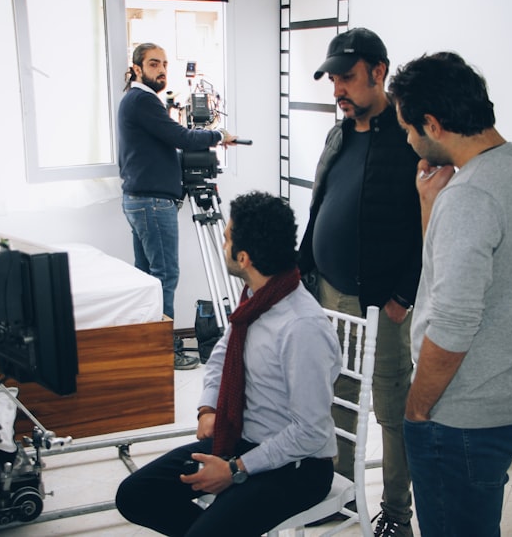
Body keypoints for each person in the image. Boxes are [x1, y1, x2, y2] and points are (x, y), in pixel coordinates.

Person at [387, 51, 512, 536]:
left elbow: (455, 323)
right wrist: (430, 205)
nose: (409, 139)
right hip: (510, 397)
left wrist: (417, 408)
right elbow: (447, 277)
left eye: (409, 129)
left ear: (433, 124)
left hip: (462, 417)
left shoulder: (471, 196)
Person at [115, 191, 342, 536]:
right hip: (242, 441)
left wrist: (236, 469)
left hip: (297, 468)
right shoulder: (255, 300)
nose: (222, 245)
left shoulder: (301, 327)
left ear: (244, 257)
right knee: (135, 495)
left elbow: (311, 433)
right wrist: (208, 408)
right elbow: (222, 355)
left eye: (226, 238)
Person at [297, 27, 421, 537]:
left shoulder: (410, 136)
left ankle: (395, 513)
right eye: (332, 79)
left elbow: (426, 225)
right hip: (330, 292)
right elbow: (319, 203)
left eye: (346, 78)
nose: (337, 90)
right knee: (339, 397)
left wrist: (403, 296)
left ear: (378, 72)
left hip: (382, 305)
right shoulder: (340, 133)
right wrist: (303, 267)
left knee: (392, 410)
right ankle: (342, 496)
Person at [117, 42, 237, 370]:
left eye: (165, 64)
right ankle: (164, 350)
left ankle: (149, 346)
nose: (162, 70)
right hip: (152, 203)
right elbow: (181, 137)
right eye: (154, 64)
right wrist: (217, 136)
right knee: (165, 274)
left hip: (141, 201)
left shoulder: (136, 101)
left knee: (148, 278)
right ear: (138, 68)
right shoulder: (142, 100)